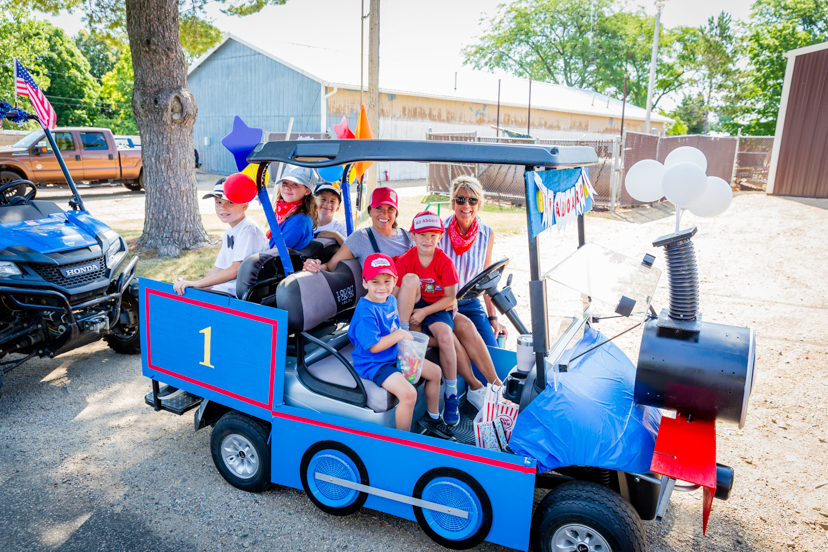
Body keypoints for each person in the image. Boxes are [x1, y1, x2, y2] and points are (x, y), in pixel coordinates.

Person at [348, 253, 452, 438]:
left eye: (387, 281)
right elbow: (374, 347)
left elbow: (394, 330)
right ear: (365, 283)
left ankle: (432, 418)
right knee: (409, 394)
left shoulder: (391, 301)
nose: (382, 287)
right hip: (375, 363)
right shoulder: (366, 311)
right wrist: (401, 335)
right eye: (375, 281)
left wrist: (404, 342)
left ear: (395, 280)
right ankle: (403, 441)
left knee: (435, 372)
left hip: (394, 354)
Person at [438, 176, 506, 410]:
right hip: (445, 303)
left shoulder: (486, 233)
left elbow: (485, 280)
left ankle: (494, 395)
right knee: (462, 343)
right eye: (460, 199)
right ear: (453, 202)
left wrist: (493, 317)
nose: (466, 205)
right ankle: (474, 395)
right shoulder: (439, 230)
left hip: (471, 302)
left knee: (493, 351)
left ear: (479, 204)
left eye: (472, 200)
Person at [303, 187, 420, 319]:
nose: (384, 214)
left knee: (444, 336)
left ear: (396, 213)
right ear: (370, 211)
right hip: (387, 311)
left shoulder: (408, 236)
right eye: (379, 208)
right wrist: (314, 265)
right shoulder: (361, 238)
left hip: (420, 301)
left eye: (390, 209)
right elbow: (331, 266)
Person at [394, 211, 461, 425]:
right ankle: (404, 336)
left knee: (445, 338)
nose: (427, 240)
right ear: (412, 236)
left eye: (433, 235)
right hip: (412, 304)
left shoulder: (445, 261)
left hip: (437, 307)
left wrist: (424, 313)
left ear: (440, 237)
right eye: (422, 235)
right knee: (411, 278)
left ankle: (451, 394)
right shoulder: (406, 260)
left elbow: (450, 297)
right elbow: (395, 293)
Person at [173, 178, 268, 297]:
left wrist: (197, 284)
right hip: (226, 288)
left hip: (239, 293)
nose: (223, 208)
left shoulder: (248, 229)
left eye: (230, 202)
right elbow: (218, 268)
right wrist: (198, 286)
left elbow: (235, 270)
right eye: (218, 202)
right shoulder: (230, 231)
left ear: (244, 206)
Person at [267, 164, 318, 251]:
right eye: (284, 183)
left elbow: (275, 252)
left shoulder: (299, 220)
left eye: (295, 184)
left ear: (307, 191)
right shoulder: (284, 212)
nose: (287, 187)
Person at [313, 179, 347, 245]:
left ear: (338, 207)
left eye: (332, 201)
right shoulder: (306, 223)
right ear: (314, 202)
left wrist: (336, 236)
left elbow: (351, 251)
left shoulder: (340, 227)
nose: (327, 204)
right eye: (323, 199)